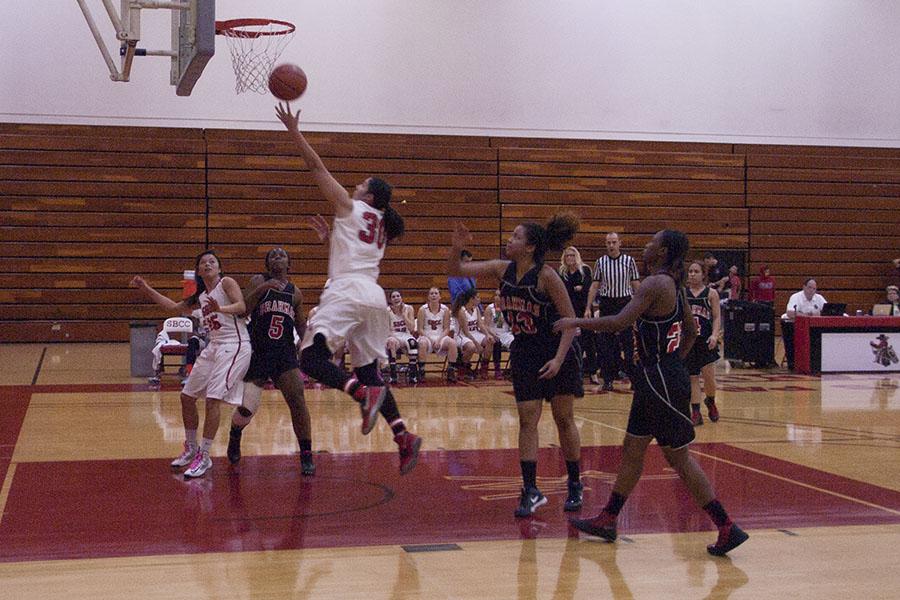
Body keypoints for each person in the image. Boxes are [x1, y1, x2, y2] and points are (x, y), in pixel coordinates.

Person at [555, 230, 749, 557]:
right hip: (658, 376)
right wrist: (673, 364)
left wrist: (574, 322)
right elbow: (689, 331)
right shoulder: (672, 283)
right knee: (632, 447)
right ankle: (609, 518)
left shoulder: (655, 284)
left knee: (678, 457)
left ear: (663, 251)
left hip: (658, 377)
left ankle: (727, 525)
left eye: (653, 242)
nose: (646, 245)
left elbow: (617, 322)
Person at [275, 102, 421, 475]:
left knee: (310, 359)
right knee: (370, 371)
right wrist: (333, 239)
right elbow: (356, 251)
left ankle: (361, 394)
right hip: (374, 297)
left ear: (370, 197)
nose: (354, 187)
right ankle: (403, 435)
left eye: (361, 186)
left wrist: (294, 131)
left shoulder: (351, 208)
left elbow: (316, 168)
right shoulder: (383, 225)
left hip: (347, 292)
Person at [449, 213, 584, 518]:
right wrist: (456, 246)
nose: (509, 240)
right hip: (525, 350)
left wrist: (558, 359)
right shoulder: (502, 270)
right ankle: (531, 490)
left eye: (516, 237)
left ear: (530, 247)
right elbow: (457, 269)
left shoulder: (547, 276)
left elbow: (570, 323)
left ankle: (575, 483)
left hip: (555, 350)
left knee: (564, 419)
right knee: (527, 420)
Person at [131, 250, 251, 479]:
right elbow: (172, 308)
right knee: (186, 397)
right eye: (203, 262)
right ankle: (191, 447)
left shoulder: (226, 283)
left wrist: (220, 309)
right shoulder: (200, 297)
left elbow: (241, 306)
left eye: (212, 261)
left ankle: (204, 456)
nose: (208, 264)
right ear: (198, 271)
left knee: (213, 400)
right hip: (215, 346)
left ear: (219, 267)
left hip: (235, 344)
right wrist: (146, 289)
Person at [225, 247, 315, 476]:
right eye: (272, 255)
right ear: (267, 265)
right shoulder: (258, 280)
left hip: (284, 353)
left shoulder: (295, 293)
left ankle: (306, 454)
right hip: (258, 351)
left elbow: (301, 323)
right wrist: (263, 288)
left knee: (297, 399)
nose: (277, 256)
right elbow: (242, 310)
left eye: (282, 254)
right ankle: (235, 432)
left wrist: (304, 343)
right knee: (248, 409)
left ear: (289, 264)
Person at [585, 232, 641, 391]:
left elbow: (636, 283)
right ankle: (607, 379)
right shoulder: (601, 262)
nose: (611, 245)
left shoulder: (628, 261)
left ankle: (633, 378)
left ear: (619, 243)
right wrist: (588, 307)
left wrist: (642, 305)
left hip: (625, 303)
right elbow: (595, 286)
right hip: (607, 304)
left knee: (628, 343)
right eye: (608, 242)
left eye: (614, 242)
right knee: (605, 344)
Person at [684, 261, 722, 426]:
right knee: (692, 377)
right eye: (690, 271)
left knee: (708, 378)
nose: (692, 274)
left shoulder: (711, 293)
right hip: (689, 341)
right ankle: (696, 412)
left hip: (706, 340)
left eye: (696, 271)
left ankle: (711, 401)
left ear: (703, 274)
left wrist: (714, 335)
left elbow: (716, 317)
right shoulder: (682, 293)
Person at [559, 246, 599, 385]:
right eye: (567, 256)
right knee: (573, 342)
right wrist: (576, 288)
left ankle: (593, 373)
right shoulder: (562, 272)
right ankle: (577, 373)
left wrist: (579, 289)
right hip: (569, 311)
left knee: (588, 342)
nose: (569, 258)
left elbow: (587, 289)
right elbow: (564, 291)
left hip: (584, 310)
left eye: (572, 255)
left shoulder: (585, 270)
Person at [781, 278, 827, 370]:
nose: (812, 290)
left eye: (814, 289)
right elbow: (790, 313)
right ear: (804, 287)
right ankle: (794, 362)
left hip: (814, 327)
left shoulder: (819, 298)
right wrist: (806, 316)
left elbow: (827, 310)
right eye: (809, 288)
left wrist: (820, 314)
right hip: (794, 326)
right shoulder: (796, 297)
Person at [416, 287, 460, 382]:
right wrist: (432, 341)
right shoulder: (422, 309)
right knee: (422, 343)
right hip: (426, 336)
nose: (434, 295)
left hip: (441, 335)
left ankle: (451, 370)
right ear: (428, 296)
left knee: (452, 343)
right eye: (431, 293)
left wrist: (439, 340)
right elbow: (420, 329)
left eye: (436, 293)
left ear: (440, 296)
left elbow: (446, 328)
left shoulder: (445, 309)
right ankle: (421, 371)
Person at [452, 287, 495, 380]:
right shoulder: (461, 311)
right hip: (461, 336)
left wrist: (488, 335)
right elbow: (466, 332)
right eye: (478, 297)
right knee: (471, 347)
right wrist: (477, 344)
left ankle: (484, 368)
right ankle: (462, 369)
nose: (480, 299)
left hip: (474, 333)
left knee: (490, 341)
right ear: (471, 299)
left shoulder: (476, 309)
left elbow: (480, 324)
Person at [386, 290, 420, 384]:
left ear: (401, 297)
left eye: (398, 296)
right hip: (393, 335)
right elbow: (386, 330)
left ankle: (412, 374)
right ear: (390, 300)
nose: (396, 298)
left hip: (406, 334)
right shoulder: (387, 311)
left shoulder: (409, 308)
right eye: (393, 297)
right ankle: (393, 375)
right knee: (391, 342)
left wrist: (405, 316)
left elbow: (412, 328)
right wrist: (397, 339)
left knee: (412, 343)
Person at [484, 288, 515, 379]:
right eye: (496, 295)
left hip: (505, 333)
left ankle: (512, 369)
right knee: (496, 343)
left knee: (516, 344)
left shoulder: (509, 308)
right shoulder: (490, 308)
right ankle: (496, 369)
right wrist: (493, 334)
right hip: (493, 332)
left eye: (499, 295)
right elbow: (486, 326)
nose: (497, 297)